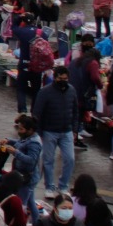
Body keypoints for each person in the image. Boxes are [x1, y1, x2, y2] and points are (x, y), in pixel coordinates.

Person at [33, 65, 78, 198]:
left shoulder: (72, 91)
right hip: (49, 131)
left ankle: (63, 185)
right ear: (55, 77)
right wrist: (39, 132)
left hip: (67, 131)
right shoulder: (45, 92)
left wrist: (75, 129)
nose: (63, 81)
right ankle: (49, 186)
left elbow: (75, 111)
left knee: (70, 159)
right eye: (60, 78)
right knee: (48, 160)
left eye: (65, 78)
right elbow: (37, 113)